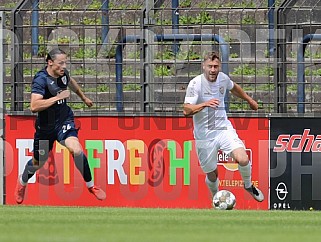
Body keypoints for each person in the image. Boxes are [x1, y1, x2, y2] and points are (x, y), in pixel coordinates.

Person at [14, 48, 106, 204]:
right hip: (45, 128)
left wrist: (83, 98)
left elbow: (70, 82)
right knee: (38, 162)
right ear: (50, 62)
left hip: (64, 121)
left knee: (76, 149)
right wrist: (57, 98)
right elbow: (34, 106)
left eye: (65, 62)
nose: (64, 66)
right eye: (60, 63)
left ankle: (91, 186)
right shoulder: (41, 80)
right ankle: (22, 182)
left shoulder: (63, 74)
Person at [183, 51, 264, 203]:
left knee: (243, 158)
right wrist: (204, 104)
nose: (213, 70)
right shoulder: (195, 84)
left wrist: (249, 99)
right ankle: (216, 197)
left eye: (216, 66)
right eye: (210, 66)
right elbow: (186, 110)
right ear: (203, 66)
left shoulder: (223, 79)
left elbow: (234, 87)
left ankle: (248, 185)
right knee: (212, 174)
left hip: (223, 129)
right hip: (205, 135)